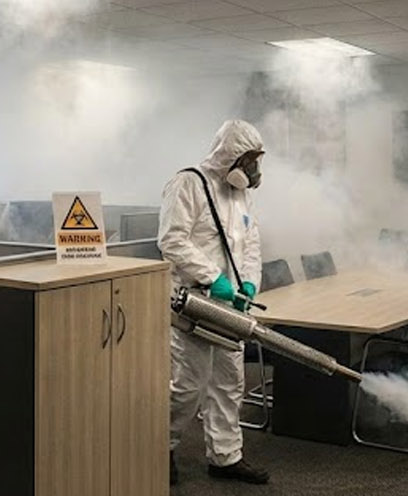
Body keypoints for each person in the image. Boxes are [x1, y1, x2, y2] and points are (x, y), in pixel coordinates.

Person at [157, 119, 268, 485]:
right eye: (249, 160)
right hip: (193, 302)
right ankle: (160, 448)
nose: (253, 169)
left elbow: (250, 244)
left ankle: (225, 456)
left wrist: (248, 282)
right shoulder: (188, 183)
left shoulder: (240, 194)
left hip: (230, 306)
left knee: (229, 382)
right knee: (188, 384)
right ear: (230, 155)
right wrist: (212, 277)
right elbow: (172, 240)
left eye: (256, 161)